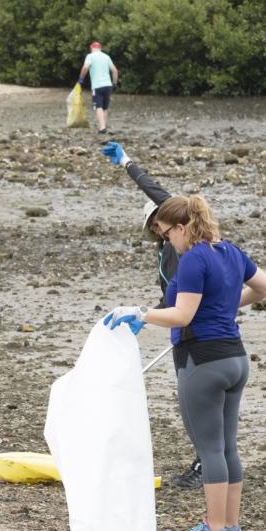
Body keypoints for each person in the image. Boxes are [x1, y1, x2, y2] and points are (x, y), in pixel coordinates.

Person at [104, 195, 266, 531]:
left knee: (210, 448)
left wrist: (139, 312)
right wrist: (223, 304)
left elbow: (181, 316)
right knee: (227, 447)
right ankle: (230, 526)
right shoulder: (229, 251)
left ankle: (213, 529)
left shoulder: (194, 259)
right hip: (236, 360)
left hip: (203, 362)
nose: (167, 242)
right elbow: (264, 288)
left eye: (167, 235)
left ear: (182, 227)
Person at [101, 140, 201, 489]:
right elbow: (171, 296)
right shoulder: (168, 250)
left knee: (198, 404)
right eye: (155, 227)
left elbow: (159, 192)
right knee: (194, 402)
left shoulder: (185, 248)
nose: (158, 230)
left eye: (160, 224)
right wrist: (145, 317)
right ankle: (209, 463)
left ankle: (206, 466)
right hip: (183, 329)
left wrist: (127, 162)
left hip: (194, 333)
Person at [78, 41, 118, 134]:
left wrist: (81, 79)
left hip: (97, 86)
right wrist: (115, 83)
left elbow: (85, 67)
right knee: (105, 107)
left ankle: (102, 128)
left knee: (98, 106)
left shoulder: (90, 56)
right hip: (108, 85)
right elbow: (115, 71)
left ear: (91, 48)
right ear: (100, 48)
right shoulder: (106, 56)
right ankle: (104, 126)